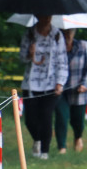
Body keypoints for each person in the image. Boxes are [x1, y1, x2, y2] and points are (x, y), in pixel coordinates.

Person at [19, 15, 68, 160]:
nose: (46, 18)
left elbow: (62, 61)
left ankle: (44, 151)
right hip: (31, 83)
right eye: (43, 15)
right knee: (30, 119)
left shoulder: (57, 35)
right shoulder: (29, 34)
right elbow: (22, 58)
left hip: (51, 84)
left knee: (46, 116)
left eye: (49, 15)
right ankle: (37, 140)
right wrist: (30, 53)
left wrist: (60, 82)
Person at [54, 29, 87, 154]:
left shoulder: (83, 45)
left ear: (74, 33)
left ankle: (78, 137)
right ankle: (62, 147)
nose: (67, 35)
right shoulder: (55, 47)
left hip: (78, 90)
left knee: (78, 120)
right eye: (64, 32)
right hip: (60, 89)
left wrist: (85, 84)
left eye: (69, 32)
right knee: (61, 116)